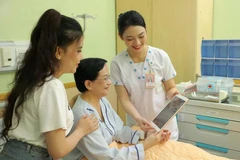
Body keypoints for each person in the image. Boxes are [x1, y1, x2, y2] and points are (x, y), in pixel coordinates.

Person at [0, 9, 98, 160]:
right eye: (78, 50)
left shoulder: (32, 79)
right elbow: (57, 150)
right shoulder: (52, 86)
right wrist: (81, 130)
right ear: (58, 52)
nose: (81, 57)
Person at [63, 58, 170, 160]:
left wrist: (146, 135)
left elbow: (119, 131)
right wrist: (145, 145)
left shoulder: (102, 101)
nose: (110, 82)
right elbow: (105, 157)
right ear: (89, 84)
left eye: (109, 77)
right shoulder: (83, 116)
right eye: (105, 78)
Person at [110, 10, 179, 140]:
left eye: (141, 36)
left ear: (146, 30)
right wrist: (138, 119)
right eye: (130, 39)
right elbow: (124, 99)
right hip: (138, 126)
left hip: (165, 124)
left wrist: (174, 95)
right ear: (121, 37)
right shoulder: (117, 63)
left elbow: (170, 88)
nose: (137, 42)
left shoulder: (160, 56)